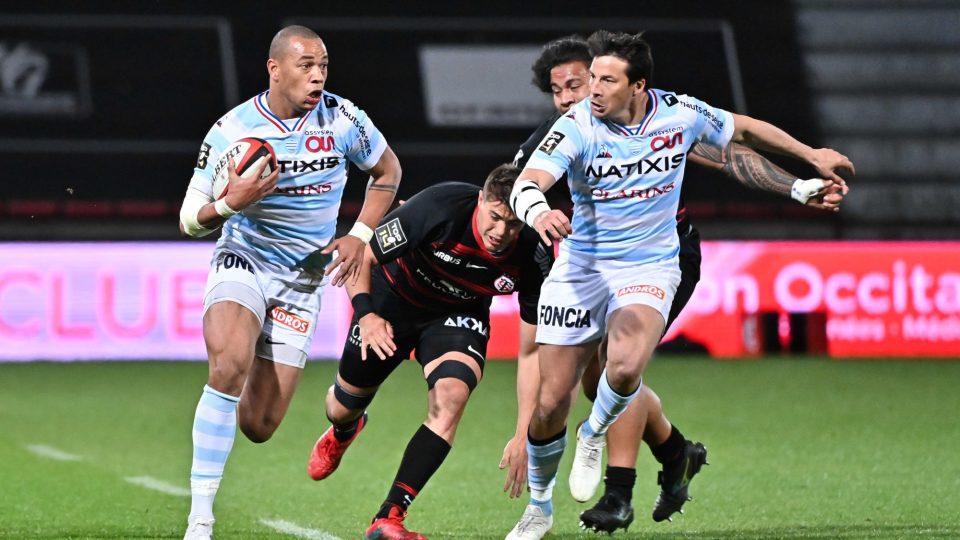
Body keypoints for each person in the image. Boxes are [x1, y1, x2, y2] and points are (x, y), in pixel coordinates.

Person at [505, 30, 853, 539]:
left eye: (601, 81)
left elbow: (743, 137)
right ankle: (540, 508)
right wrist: (538, 214)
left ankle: (598, 444)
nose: (586, 94)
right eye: (581, 84)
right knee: (553, 400)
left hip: (651, 265)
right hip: (581, 268)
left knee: (622, 370)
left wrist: (806, 169)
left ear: (638, 85)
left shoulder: (679, 114)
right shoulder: (573, 128)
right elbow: (524, 184)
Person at [177, 25, 401, 540]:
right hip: (246, 258)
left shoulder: (344, 118)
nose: (318, 75)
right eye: (306, 65)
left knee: (259, 426)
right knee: (229, 363)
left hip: (303, 280)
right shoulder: (233, 130)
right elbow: (190, 219)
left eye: (323, 65)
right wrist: (232, 202)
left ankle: (345, 421)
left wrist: (360, 234)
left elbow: (387, 171)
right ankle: (200, 519)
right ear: (275, 69)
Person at [305, 164, 552, 540]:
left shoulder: (534, 253)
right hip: (391, 303)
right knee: (341, 405)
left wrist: (523, 435)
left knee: (451, 396)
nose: (501, 232)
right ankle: (345, 428)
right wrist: (367, 315)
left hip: (457, 315)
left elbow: (532, 350)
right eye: (496, 217)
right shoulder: (440, 206)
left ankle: (389, 516)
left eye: (514, 224)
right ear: (480, 199)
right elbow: (363, 258)